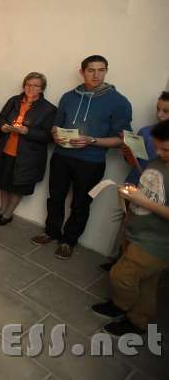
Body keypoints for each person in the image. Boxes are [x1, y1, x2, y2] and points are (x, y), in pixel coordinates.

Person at [31, 55, 132, 260]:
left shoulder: (119, 102)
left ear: (106, 71)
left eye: (101, 70)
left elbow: (122, 140)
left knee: (81, 203)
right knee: (55, 197)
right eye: (91, 70)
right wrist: (55, 134)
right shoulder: (69, 96)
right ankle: (51, 232)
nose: (96, 75)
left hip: (91, 162)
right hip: (61, 156)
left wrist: (92, 140)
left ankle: (69, 241)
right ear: (82, 72)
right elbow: (56, 125)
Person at [91, 119, 169, 337]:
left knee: (121, 275)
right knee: (146, 284)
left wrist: (144, 202)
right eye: (157, 147)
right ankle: (138, 320)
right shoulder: (158, 162)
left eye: (166, 149)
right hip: (138, 229)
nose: (160, 152)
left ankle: (121, 306)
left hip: (156, 243)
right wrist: (134, 192)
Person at [0, 73, 57, 225]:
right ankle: (1, 210)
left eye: (35, 85)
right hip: (6, 150)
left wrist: (28, 132)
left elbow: (49, 137)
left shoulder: (49, 109)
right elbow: (0, 118)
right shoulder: (14, 100)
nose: (31, 88)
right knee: (3, 183)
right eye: (28, 84)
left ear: (42, 89)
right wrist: (3, 127)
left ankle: (8, 214)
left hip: (27, 157)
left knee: (17, 187)